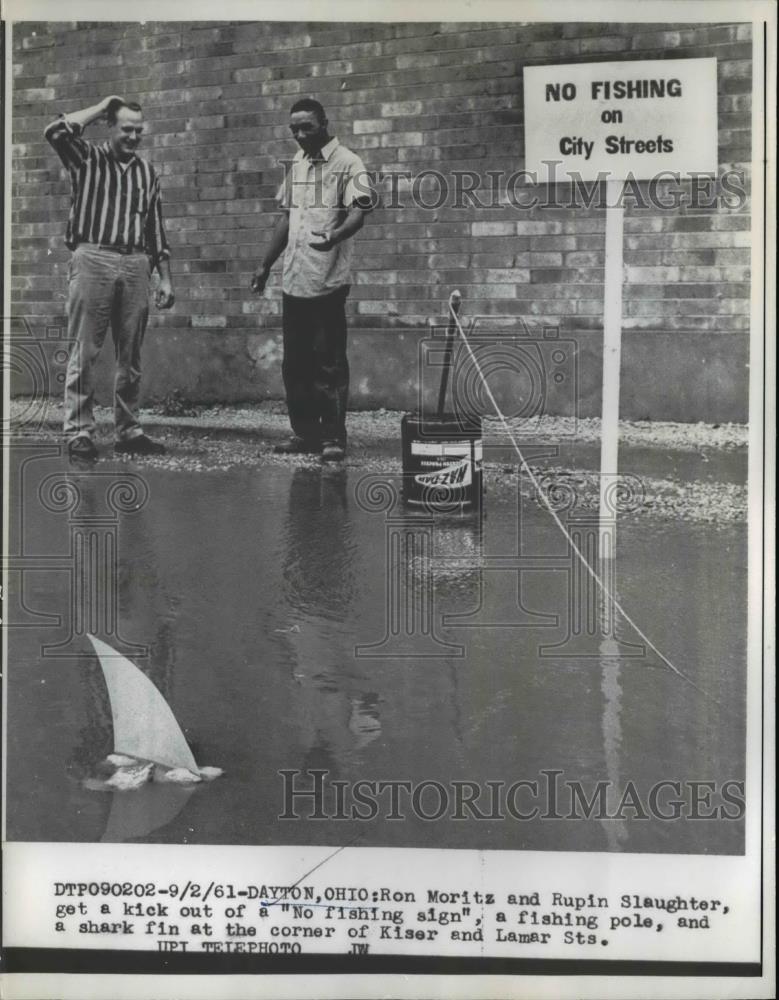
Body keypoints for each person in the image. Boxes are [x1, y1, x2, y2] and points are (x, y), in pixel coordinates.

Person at [44, 95, 175, 462]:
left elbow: (155, 231)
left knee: (130, 353)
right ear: (110, 127)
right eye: (126, 129)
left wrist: (165, 278)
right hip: (93, 257)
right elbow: (54, 132)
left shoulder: (147, 173)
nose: (133, 136)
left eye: (138, 130)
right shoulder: (86, 157)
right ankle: (79, 430)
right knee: (85, 350)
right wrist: (102, 106)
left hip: (136, 262)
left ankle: (129, 429)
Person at [251, 98, 372, 462]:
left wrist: (335, 236)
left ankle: (334, 437)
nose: (301, 135)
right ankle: (305, 433)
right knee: (296, 364)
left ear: (324, 123)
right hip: (295, 279)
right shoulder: (298, 164)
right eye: (294, 130)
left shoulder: (349, 163)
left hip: (328, 282)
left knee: (328, 363)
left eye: (307, 127)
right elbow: (287, 218)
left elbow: (359, 211)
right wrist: (265, 264)